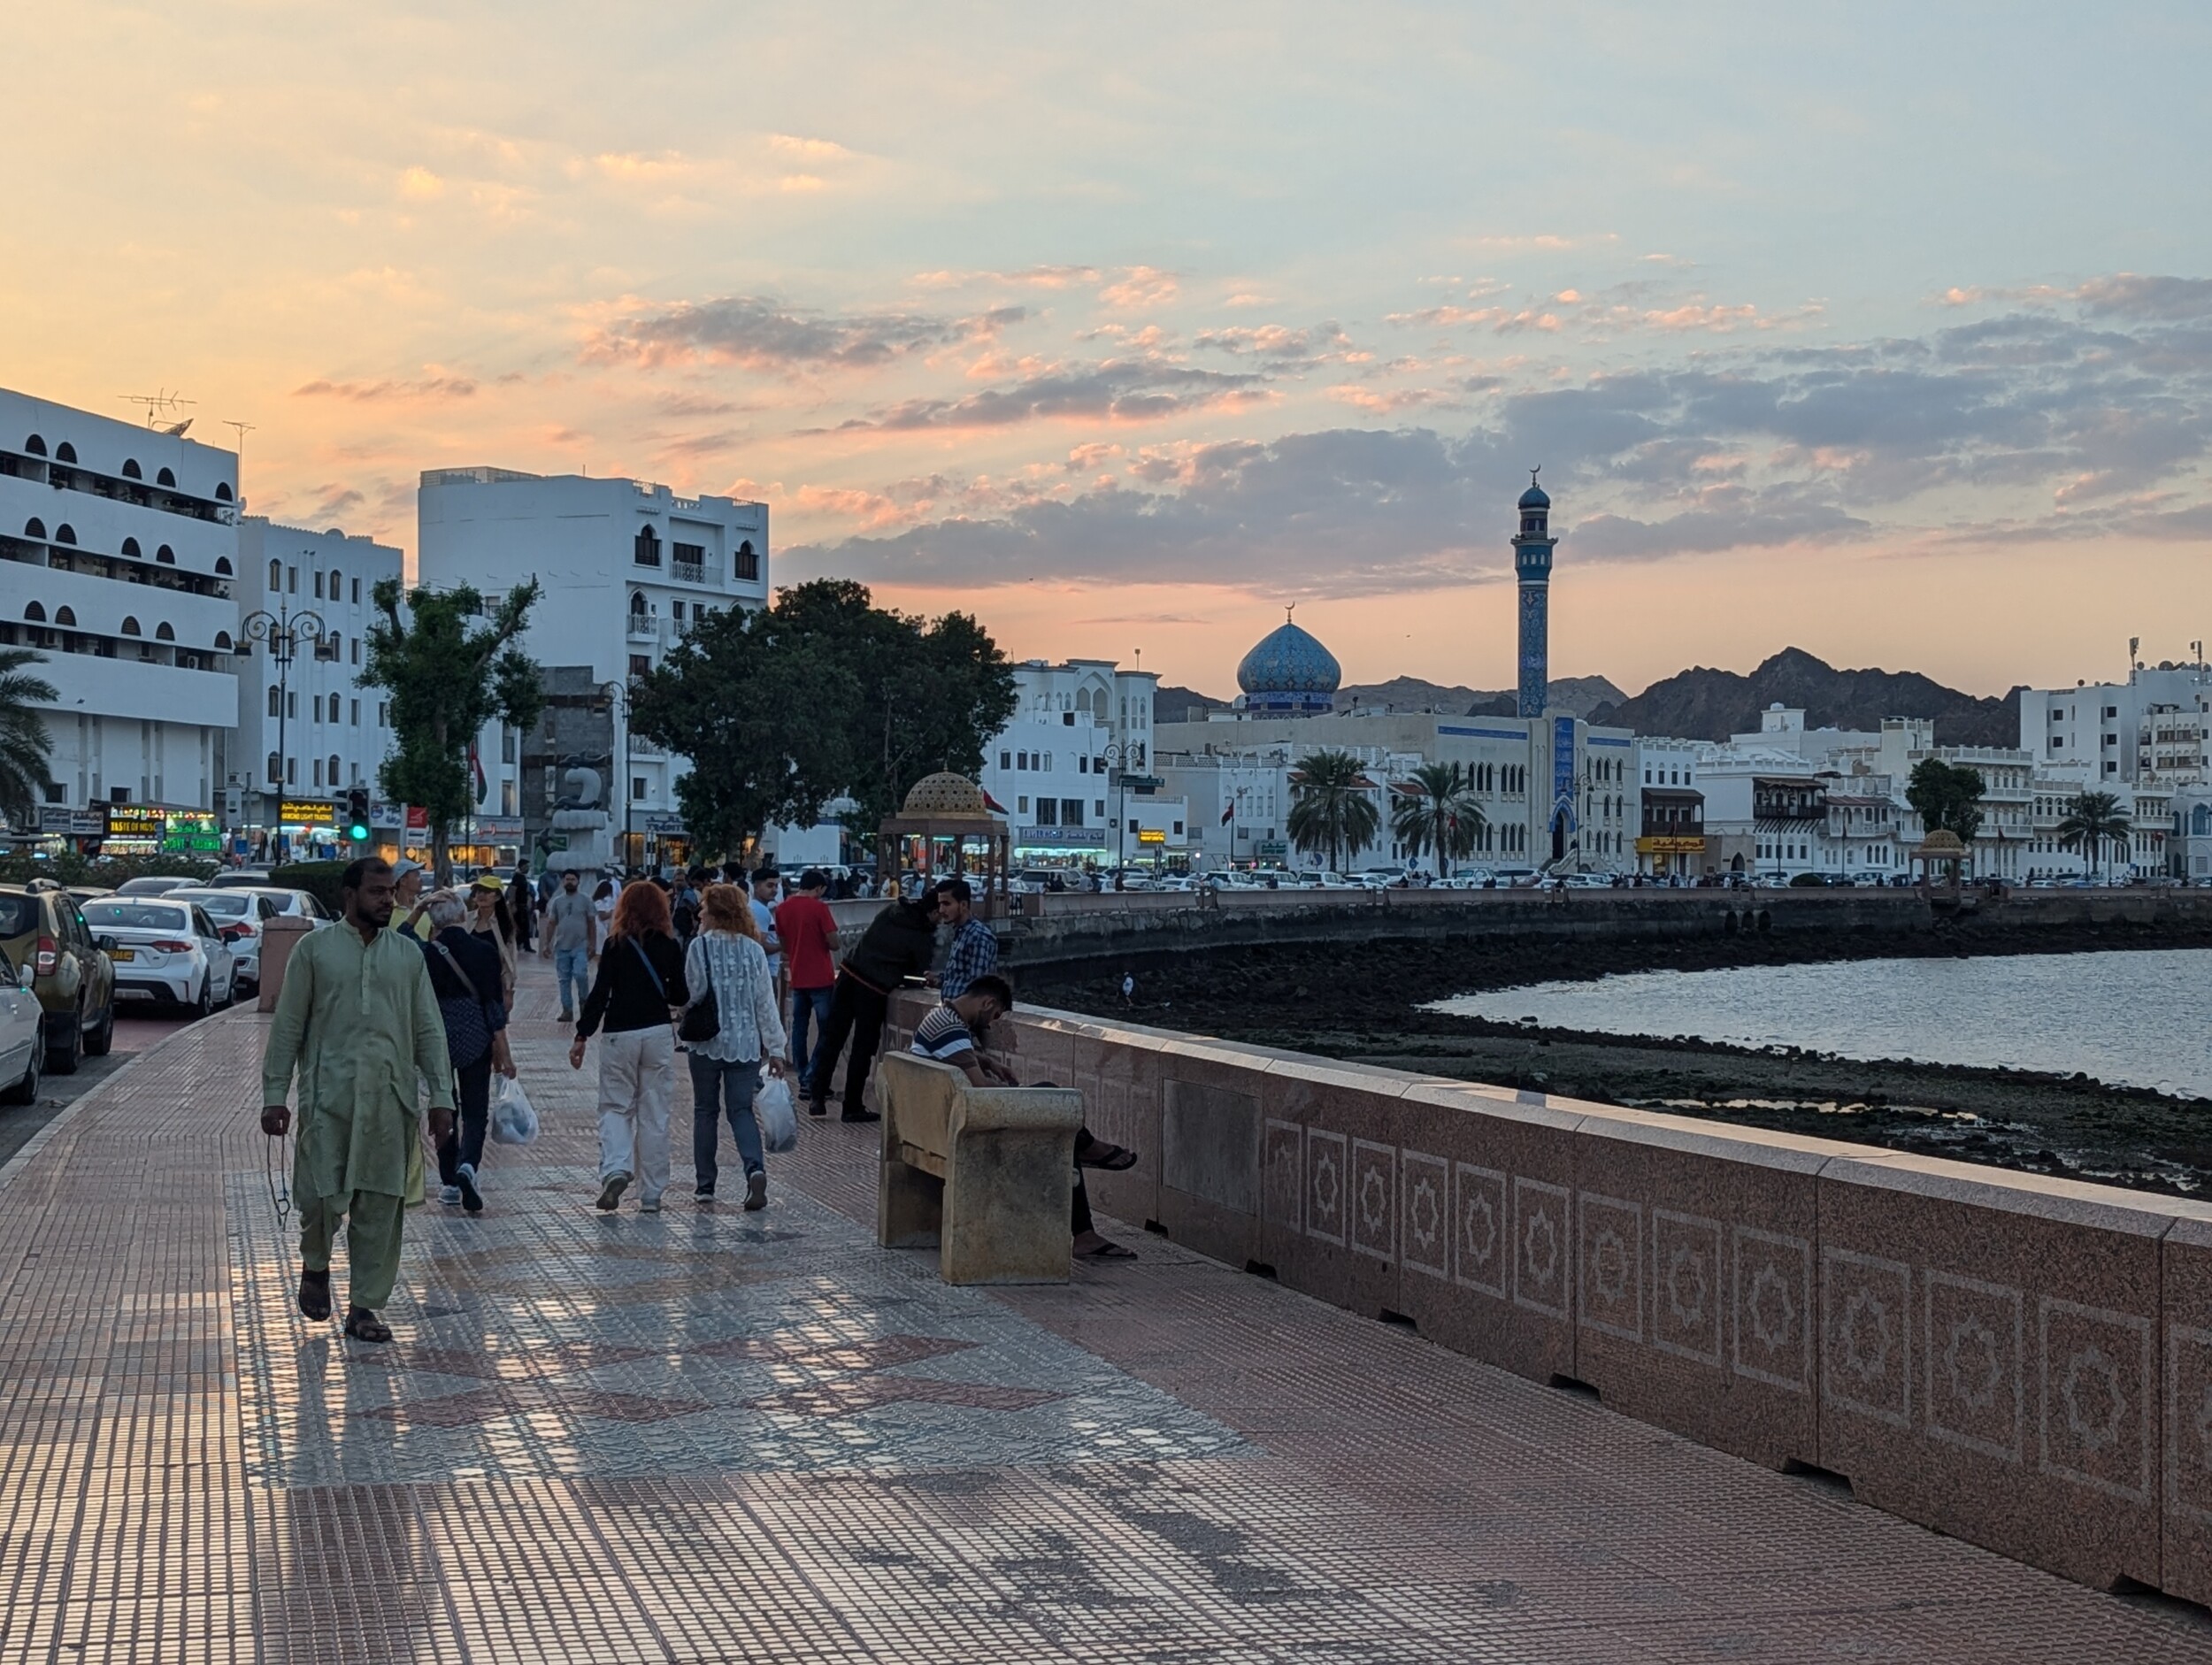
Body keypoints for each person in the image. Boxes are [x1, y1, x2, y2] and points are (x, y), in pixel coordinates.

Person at [258, 857, 455, 1343]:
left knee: (381, 1208)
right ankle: (316, 1265)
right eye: (377, 892)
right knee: (320, 1195)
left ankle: (364, 1306)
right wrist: (274, 1095)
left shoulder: (408, 956)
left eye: (390, 891)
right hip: (329, 1099)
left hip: (391, 1103)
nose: (388, 900)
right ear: (350, 895)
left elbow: (428, 1028)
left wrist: (442, 1097)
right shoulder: (314, 951)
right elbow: (287, 1027)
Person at [909, 975, 1138, 1259]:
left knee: (1056, 1122)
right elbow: (980, 1086)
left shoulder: (940, 1017)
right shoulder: (952, 1029)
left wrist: (988, 1061)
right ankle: (1085, 1220)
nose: (992, 1022)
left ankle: (1086, 1158)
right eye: (995, 1015)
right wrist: (1015, 1091)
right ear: (987, 1002)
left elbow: (953, 1058)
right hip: (962, 1133)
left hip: (936, 1125)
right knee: (1053, 1104)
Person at [570, 880, 688, 1213]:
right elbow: (680, 996)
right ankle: (651, 1194)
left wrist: (582, 1035)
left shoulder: (614, 945)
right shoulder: (669, 945)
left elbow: (599, 994)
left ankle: (616, 1170)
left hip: (619, 1034)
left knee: (615, 1107)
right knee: (655, 1114)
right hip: (657, 1033)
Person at [680, 884, 790, 1208]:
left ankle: (705, 1186)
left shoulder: (698, 947)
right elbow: (765, 1004)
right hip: (745, 1044)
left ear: (714, 913)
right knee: (741, 1110)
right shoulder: (754, 950)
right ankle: (754, 1169)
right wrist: (777, 1048)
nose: (700, 913)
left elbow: (694, 994)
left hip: (705, 1043)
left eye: (703, 908)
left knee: (705, 1110)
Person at [806, 881, 943, 1123]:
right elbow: (917, 973)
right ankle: (852, 1106)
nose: (941, 921)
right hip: (873, 988)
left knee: (832, 1039)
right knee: (863, 1048)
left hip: (848, 974)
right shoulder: (922, 935)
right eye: (939, 916)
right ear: (932, 913)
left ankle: (817, 1096)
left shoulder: (892, 912)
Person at [419, 889, 516, 1214]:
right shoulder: (484, 951)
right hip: (476, 1036)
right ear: (463, 916)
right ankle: (468, 1167)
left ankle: (448, 1181)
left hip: (437, 1039)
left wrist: (418, 909)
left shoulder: (425, 953)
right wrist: (503, 1050)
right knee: (476, 1110)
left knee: (445, 1108)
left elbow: (400, 936)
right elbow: (493, 1005)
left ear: (435, 921)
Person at [773, 869, 840, 1097]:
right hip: (821, 977)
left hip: (798, 976)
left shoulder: (781, 909)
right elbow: (834, 943)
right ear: (819, 888)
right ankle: (813, 1075)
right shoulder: (820, 908)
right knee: (827, 1031)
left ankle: (803, 1078)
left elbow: (784, 944)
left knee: (799, 1031)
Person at [931, 877, 997, 998]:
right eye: (940, 904)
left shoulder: (978, 936)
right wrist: (939, 979)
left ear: (963, 905)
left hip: (962, 1013)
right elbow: (960, 976)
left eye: (946, 904)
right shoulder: (961, 932)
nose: (941, 910)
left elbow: (977, 988)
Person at [545, 869, 597, 1022]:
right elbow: (551, 923)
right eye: (567, 879)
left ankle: (584, 1003)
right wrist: (546, 944)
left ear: (578, 882)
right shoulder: (557, 902)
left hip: (580, 945)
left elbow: (591, 923)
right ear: (563, 882)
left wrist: (592, 944)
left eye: (572, 879)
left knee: (581, 974)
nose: (569, 882)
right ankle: (567, 1010)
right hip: (561, 946)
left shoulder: (586, 900)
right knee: (564, 979)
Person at [466, 873, 518, 1007]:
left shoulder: (505, 924)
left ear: (498, 896)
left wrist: (508, 992)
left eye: (487, 891)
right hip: (467, 986)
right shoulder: (465, 920)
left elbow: (509, 959)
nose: (481, 895)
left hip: (494, 987)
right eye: (478, 891)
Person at [749, 870, 784, 998]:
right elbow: (760, 946)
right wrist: (784, 945)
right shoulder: (760, 910)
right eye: (769, 886)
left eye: (776, 886)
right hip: (766, 972)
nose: (774, 890)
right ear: (757, 887)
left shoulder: (758, 908)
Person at [671, 868, 704, 943]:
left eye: (681, 880)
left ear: (686, 881)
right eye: (677, 880)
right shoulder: (677, 895)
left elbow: (693, 910)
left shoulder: (687, 893)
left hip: (685, 932)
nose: (679, 883)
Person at [509, 860, 535, 954]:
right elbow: (513, 890)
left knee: (525, 926)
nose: (528, 868)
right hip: (519, 906)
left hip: (523, 906)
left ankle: (524, 945)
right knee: (520, 926)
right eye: (526, 866)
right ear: (522, 866)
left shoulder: (523, 878)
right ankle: (520, 945)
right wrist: (513, 904)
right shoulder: (517, 877)